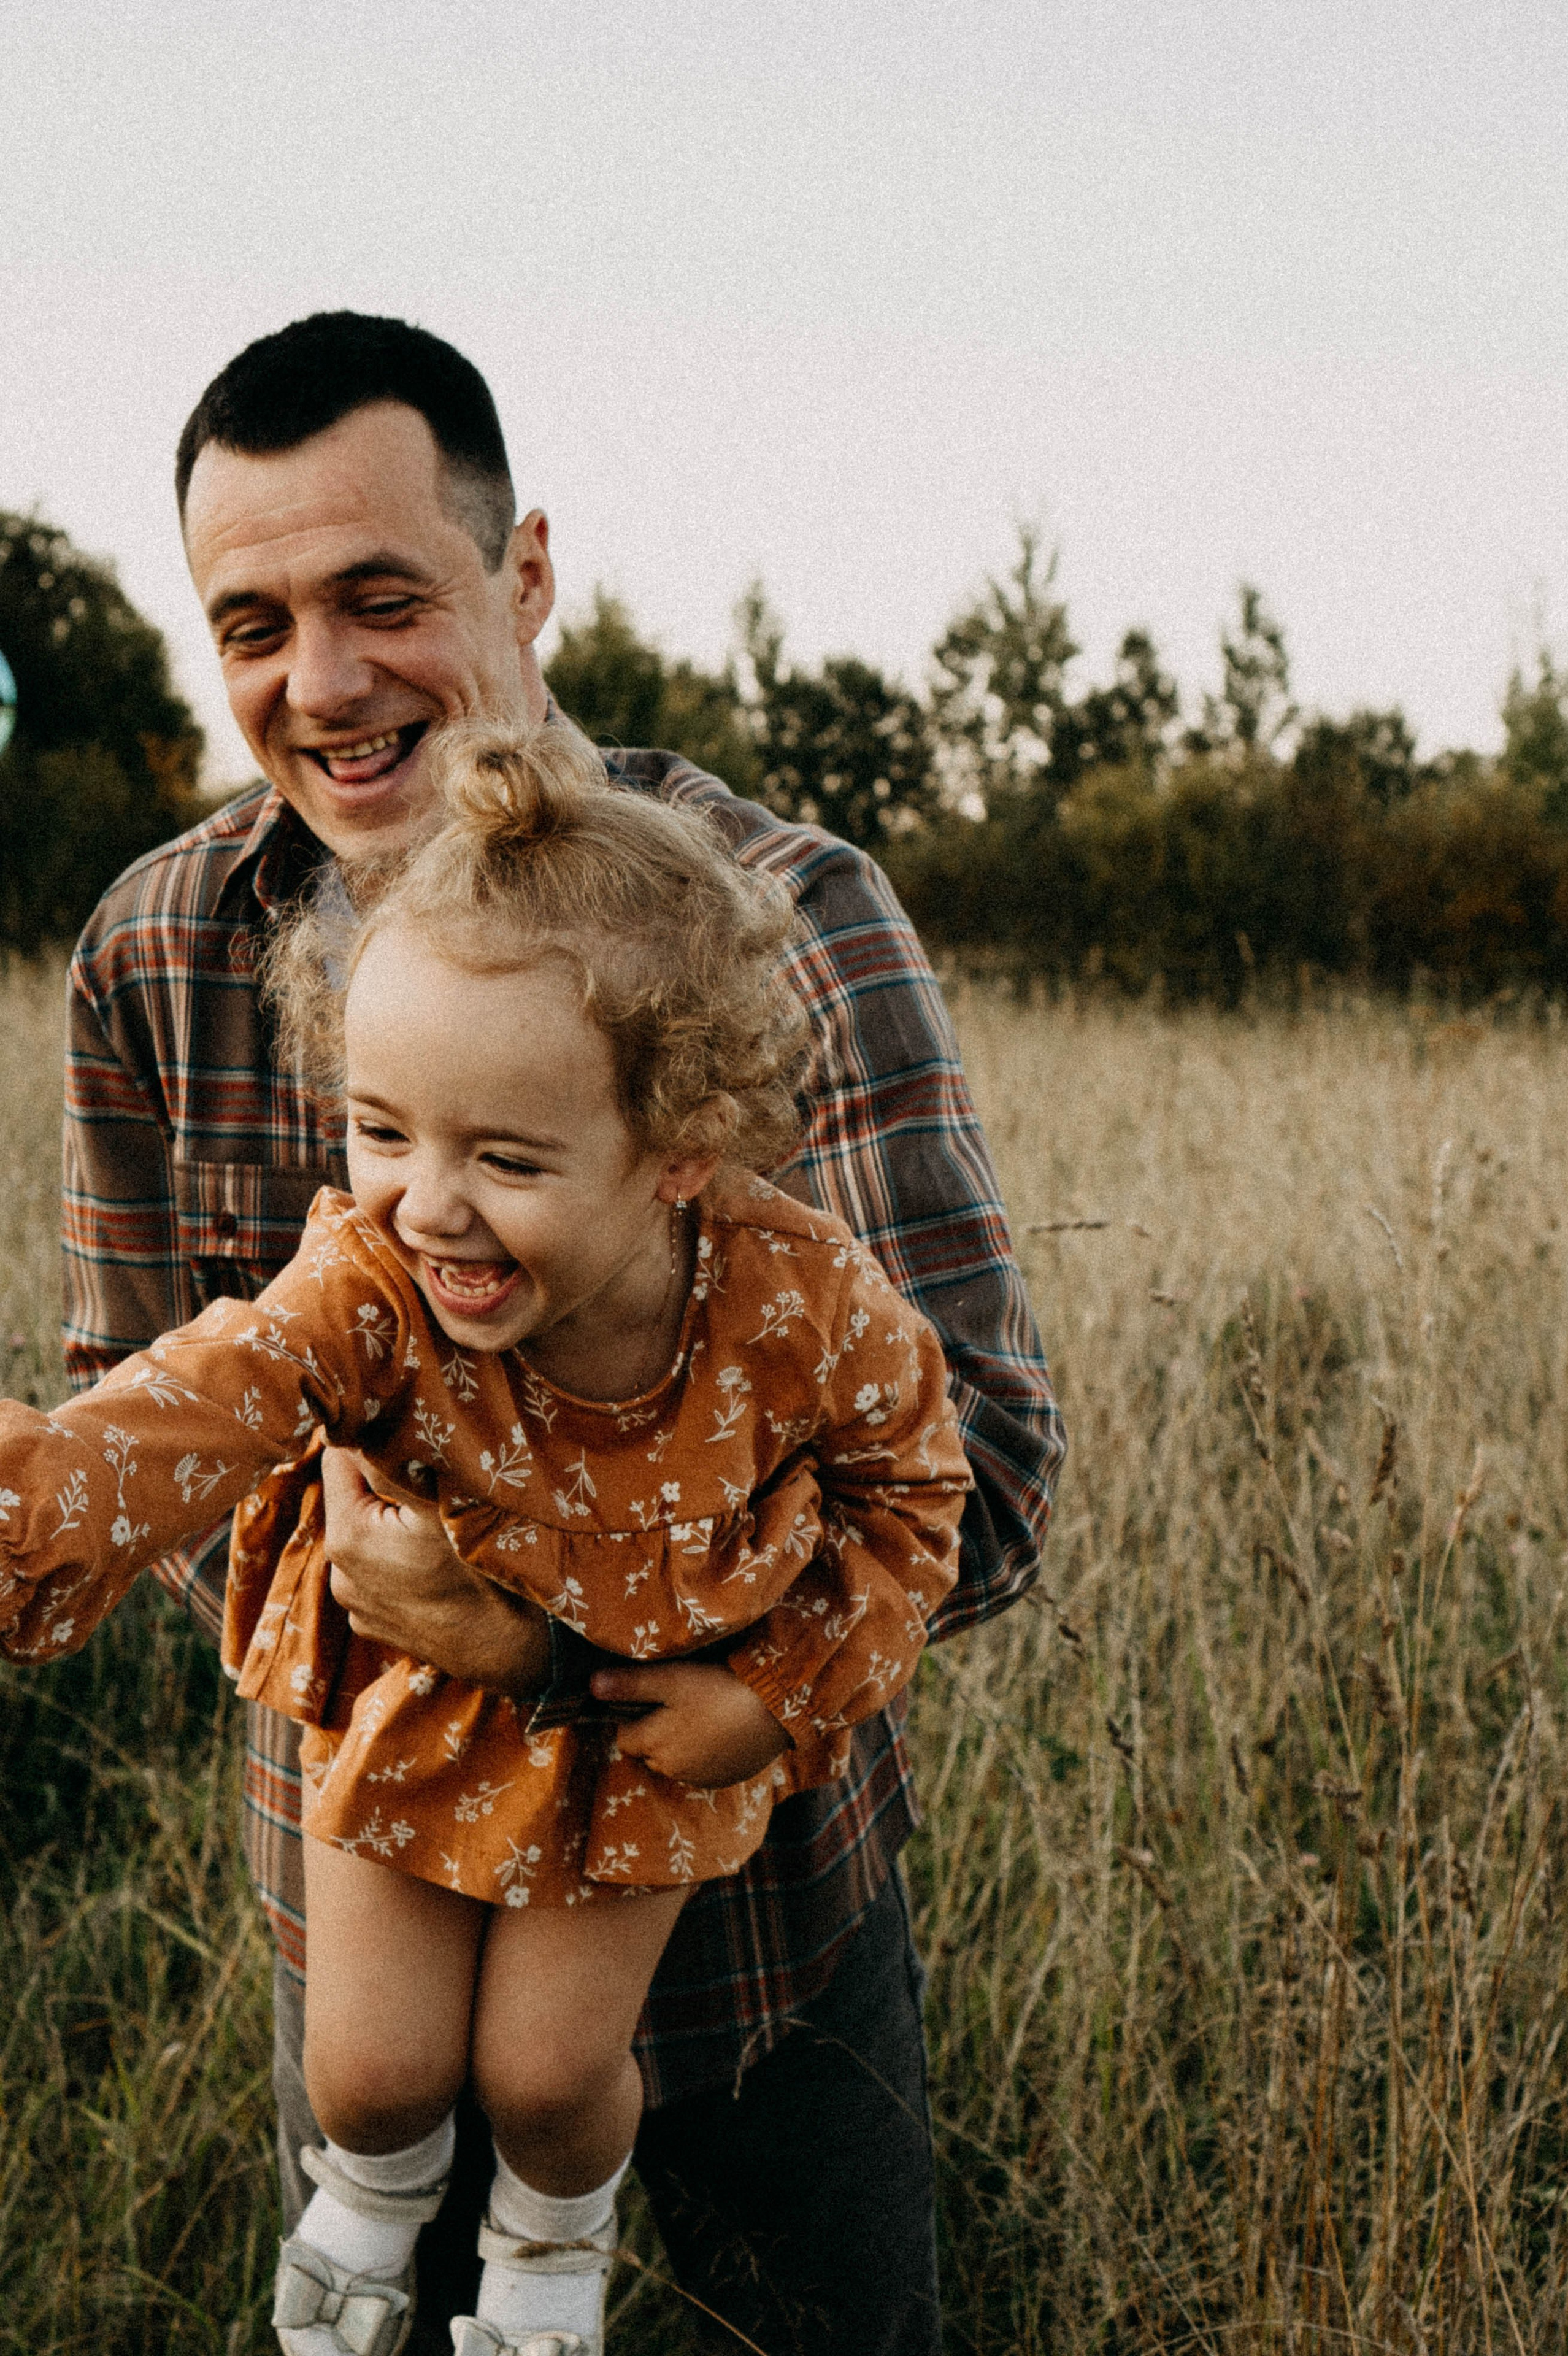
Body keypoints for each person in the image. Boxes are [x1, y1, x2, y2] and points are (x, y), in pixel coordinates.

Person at [61, 311, 1066, 2355]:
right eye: (251, 621)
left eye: (379, 597)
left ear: (521, 577)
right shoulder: (154, 952)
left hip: (763, 1927)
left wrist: (548, 1644)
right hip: (371, 1920)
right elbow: (133, 1416)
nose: (320, 685)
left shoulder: (782, 922)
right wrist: (336, 1608)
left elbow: (994, 1478)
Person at [4, 718, 972, 2355]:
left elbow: (923, 1499)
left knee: (544, 2080)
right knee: (365, 2077)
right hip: (413, 1703)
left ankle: (549, 2250)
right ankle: (371, 2223)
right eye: (384, 1131)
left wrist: (781, 1694)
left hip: (652, 1734)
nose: (427, 1205)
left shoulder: (796, 1306)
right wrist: (41, 1495)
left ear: (676, 1146)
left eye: (506, 1159)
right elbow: (213, 1388)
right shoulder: (378, 1274)